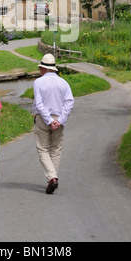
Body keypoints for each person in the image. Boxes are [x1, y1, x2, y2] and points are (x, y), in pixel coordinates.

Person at [33, 53, 74, 194]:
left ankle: (52, 177)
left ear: (43, 69)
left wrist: (49, 120)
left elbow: (39, 104)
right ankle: (52, 177)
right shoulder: (63, 82)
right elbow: (69, 102)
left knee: (43, 148)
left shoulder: (38, 82)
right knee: (56, 149)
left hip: (43, 118)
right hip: (58, 117)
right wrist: (60, 120)